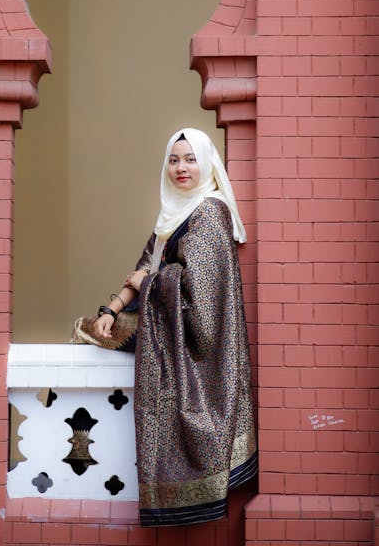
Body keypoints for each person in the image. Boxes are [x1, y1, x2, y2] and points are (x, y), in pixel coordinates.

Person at [72, 127, 257, 527]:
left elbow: (201, 301)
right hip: (167, 325)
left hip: (197, 343)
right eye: (174, 160)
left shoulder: (209, 212)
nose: (181, 168)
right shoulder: (174, 214)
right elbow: (146, 264)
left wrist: (149, 286)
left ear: (206, 163)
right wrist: (112, 307)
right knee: (88, 329)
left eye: (190, 159)